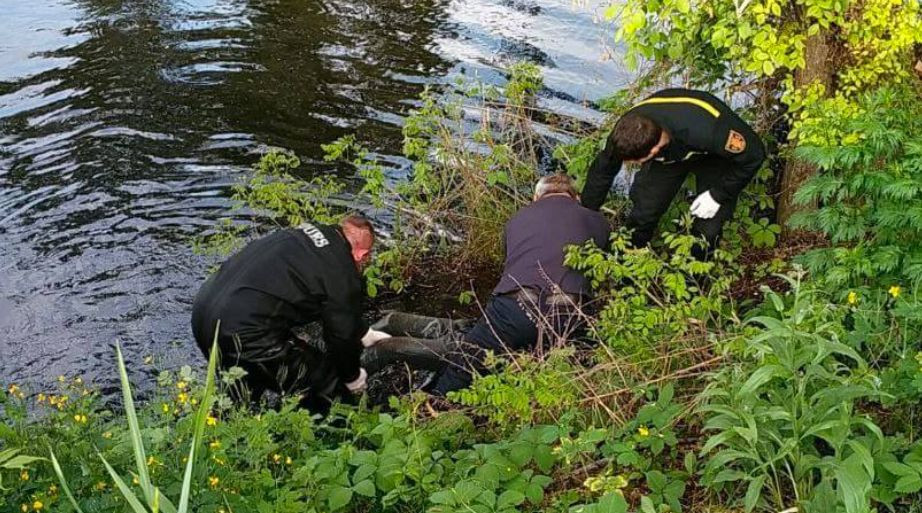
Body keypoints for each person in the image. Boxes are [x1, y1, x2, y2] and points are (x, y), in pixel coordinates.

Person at [427, 174, 611, 395]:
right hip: (570, 312)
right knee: (578, 371)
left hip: (514, 307)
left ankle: (436, 408)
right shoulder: (598, 221)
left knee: (465, 364)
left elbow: (511, 263)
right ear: (577, 197)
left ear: (536, 197)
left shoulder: (516, 219)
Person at [191, 215, 389, 411]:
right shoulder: (343, 271)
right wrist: (352, 378)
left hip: (204, 314)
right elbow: (340, 337)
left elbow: (333, 306)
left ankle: (225, 429)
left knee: (242, 389)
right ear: (362, 255)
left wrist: (362, 332)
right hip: (245, 332)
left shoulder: (307, 234)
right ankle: (333, 433)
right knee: (326, 381)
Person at [581, 88, 766, 259]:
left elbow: (754, 155)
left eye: (636, 162)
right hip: (671, 156)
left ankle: (694, 275)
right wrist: (585, 214)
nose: (631, 165)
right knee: (643, 212)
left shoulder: (711, 130)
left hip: (714, 155)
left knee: (708, 228)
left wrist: (718, 194)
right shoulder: (627, 131)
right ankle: (631, 263)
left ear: (653, 151)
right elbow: (602, 170)